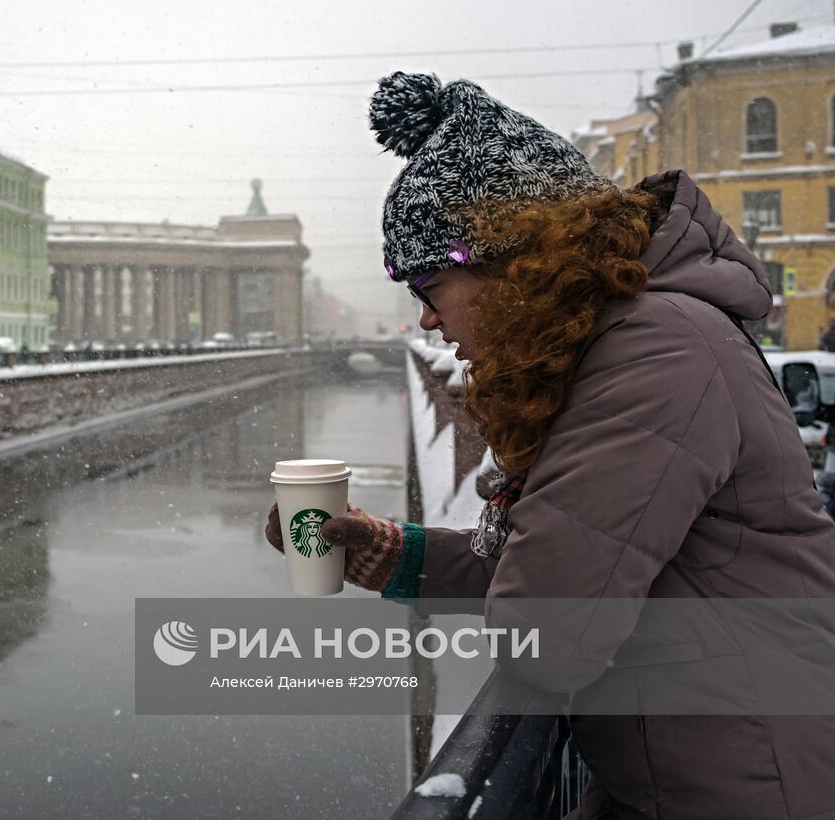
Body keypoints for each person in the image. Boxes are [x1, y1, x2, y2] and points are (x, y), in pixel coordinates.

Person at [266, 72, 835, 819]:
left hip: (749, 786)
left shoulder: (656, 353)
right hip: (701, 769)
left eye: (427, 283)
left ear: (511, 259)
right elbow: (589, 566)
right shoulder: (632, 342)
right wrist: (397, 554)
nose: (427, 320)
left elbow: (548, 628)